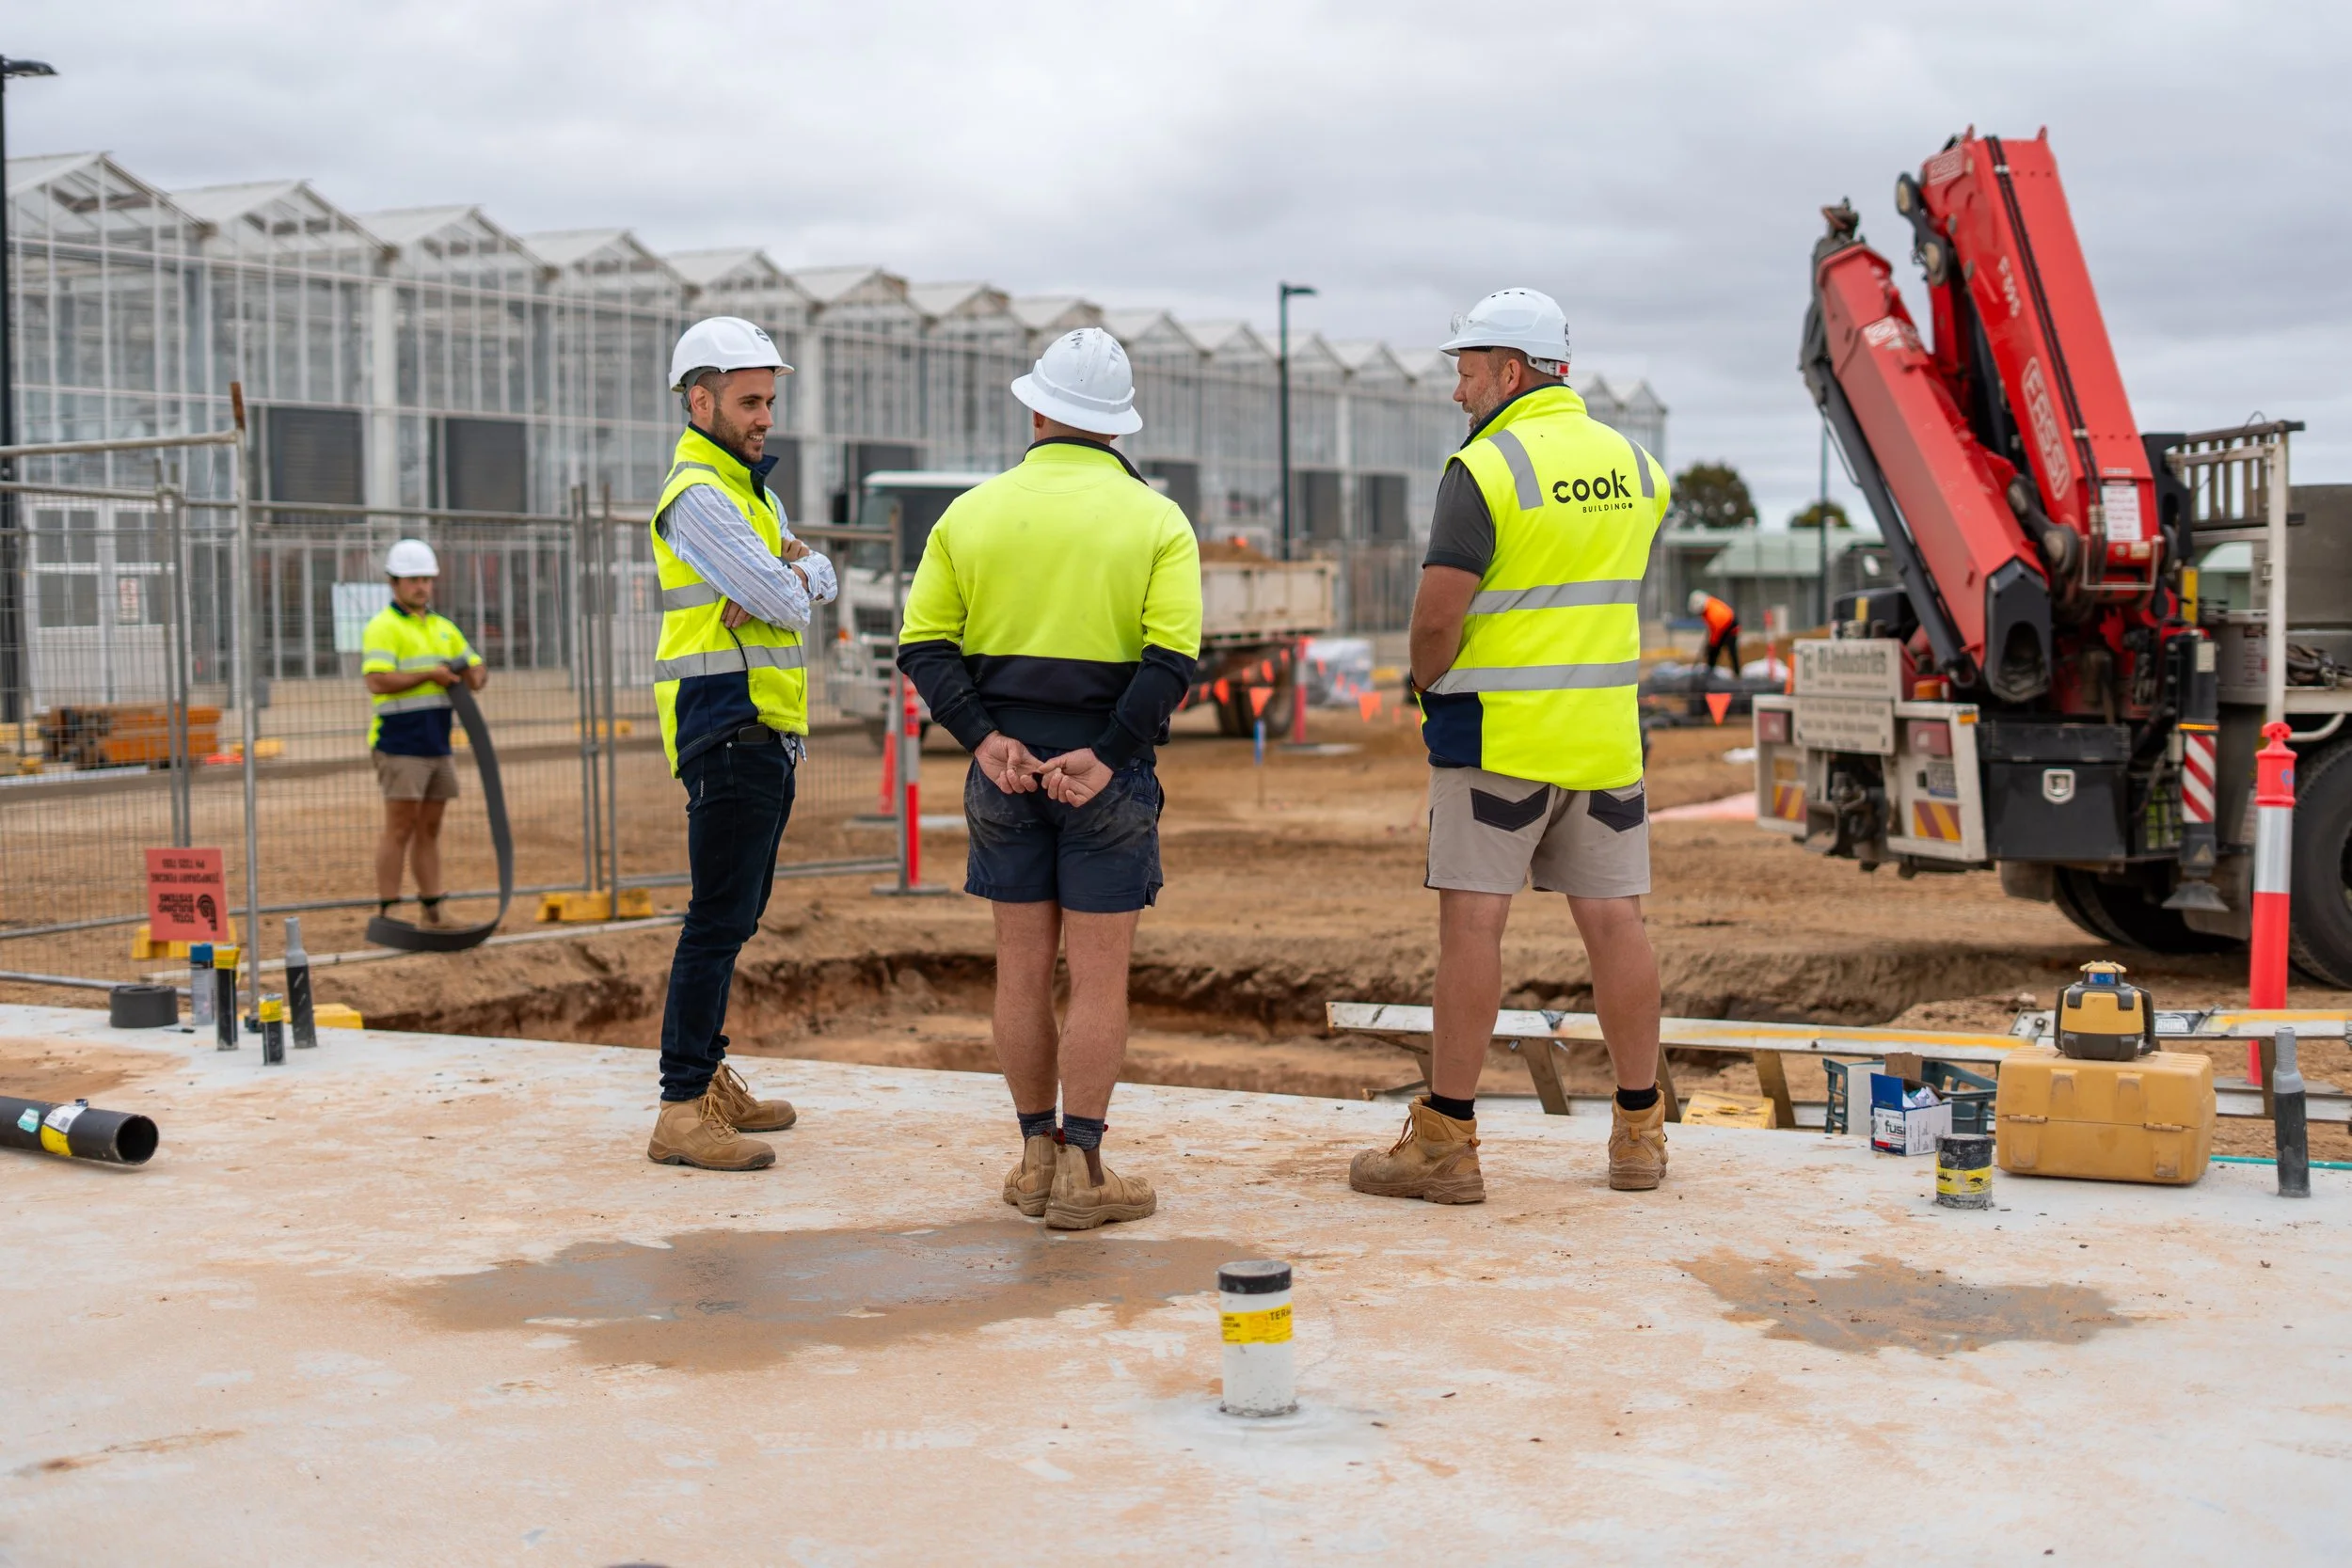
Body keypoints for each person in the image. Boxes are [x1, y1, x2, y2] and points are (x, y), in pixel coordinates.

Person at [1351, 287, 1672, 1204]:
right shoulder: (1637, 465)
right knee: (1617, 925)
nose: (1458, 392)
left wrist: (1426, 685)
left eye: (1465, 371)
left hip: (1496, 734)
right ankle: (1639, 1134)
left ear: (1511, 370)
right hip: (1604, 734)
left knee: (1472, 927)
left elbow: (1435, 618)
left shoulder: (1486, 467)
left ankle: (1446, 1142)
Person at [897, 327, 1202, 1230]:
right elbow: (1170, 663)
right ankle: (1086, 1170)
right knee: (1099, 980)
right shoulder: (1157, 520)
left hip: (1006, 774)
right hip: (1104, 778)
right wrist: (1106, 753)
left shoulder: (970, 513)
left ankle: (1035, 1157)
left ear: (1038, 410)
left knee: (1022, 970)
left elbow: (923, 645)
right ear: (1118, 427)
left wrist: (985, 740)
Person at [644, 316, 838, 1172]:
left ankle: (708, 1076)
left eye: (769, 399)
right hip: (726, 723)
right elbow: (797, 597)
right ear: (701, 399)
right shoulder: (701, 496)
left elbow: (810, 577)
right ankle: (682, 1106)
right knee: (716, 919)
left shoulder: (753, 493)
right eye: (749, 400)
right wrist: (789, 578)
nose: (765, 416)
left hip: (762, 724)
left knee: (736, 914)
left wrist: (790, 574)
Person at [361, 539, 487, 927]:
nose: (422, 587)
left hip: (437, 743)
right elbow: (377, 680)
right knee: (399, 827)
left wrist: (467, 671)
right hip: (400, 745)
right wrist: (430, 674)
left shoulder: (443, 629)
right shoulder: (383, 628)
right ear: (394, 583)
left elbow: (478, 674)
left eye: (427, 579)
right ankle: (388, 911)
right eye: (413, 579)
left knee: (430, 828)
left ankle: (433, 908)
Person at [1691, 589, 1740, 676]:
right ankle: (1710, 670)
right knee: (1714, 651)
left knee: (1729, 650)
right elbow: (1712, 628)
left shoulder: (1714, 614)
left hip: (1729, 627)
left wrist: (1711, 644)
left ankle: (1737, 673)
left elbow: (1716, 632)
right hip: (1723, 626)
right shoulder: (1708, 607)